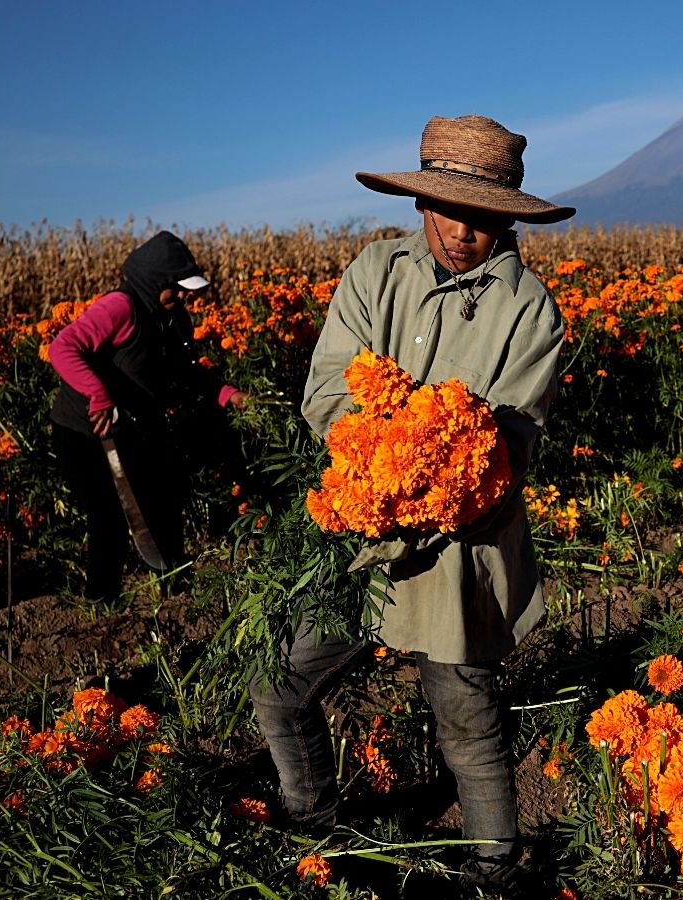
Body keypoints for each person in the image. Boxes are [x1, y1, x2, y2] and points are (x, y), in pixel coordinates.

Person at [249, 114, 574, 895]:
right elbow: (328, 387)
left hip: (457, 550)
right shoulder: (376, 274)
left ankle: (495, 865)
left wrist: (438, 477)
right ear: (421, 202)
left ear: (508, 216)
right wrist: (374, 458)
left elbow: (509, 446)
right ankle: (318, 829)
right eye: (448, 210)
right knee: (280, 687)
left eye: (484, 216)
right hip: (359, 543)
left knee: (464, 715)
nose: (463, 232)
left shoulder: (529, 311)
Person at [48, 230, 248, 602]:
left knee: (161, 502)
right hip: (82, 430)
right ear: (155, 281)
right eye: (179, 287)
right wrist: (98, 395)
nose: (187, 295)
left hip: (127, 426)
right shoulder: (120, 308)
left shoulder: (173, 319)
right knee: (107, 517)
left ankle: (175, 591)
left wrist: (227, 394)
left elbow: (187, 371)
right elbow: (63, 348)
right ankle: (100, 602)